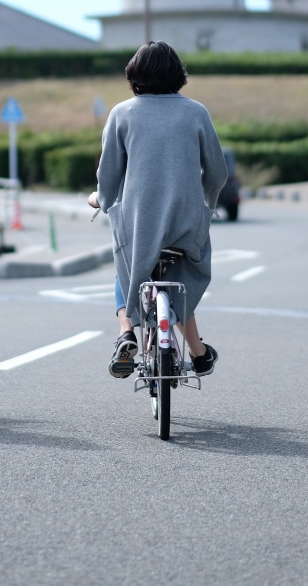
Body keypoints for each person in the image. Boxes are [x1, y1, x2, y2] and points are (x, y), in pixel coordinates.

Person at [88, 41, 228, 380]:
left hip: (140, 221)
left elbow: (108, 178)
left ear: (133, 75)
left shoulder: (122, 113)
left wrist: (100, 200)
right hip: (186, 222)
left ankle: (125, 333)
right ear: (177, 74)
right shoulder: (196, 112)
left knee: (129, 262)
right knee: (180, 276)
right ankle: (198, 352)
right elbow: (217, 173)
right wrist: (207, 203)